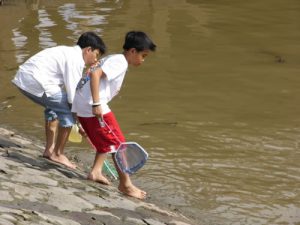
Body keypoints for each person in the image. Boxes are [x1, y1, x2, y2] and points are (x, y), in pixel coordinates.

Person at [72, 31, 156, 199]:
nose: (143, 60)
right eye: (143, 55)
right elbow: (95, 74)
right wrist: (96, 104)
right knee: (119, 144)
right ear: (132, 51)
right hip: (93, 105)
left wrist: (77, 113)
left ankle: (95, 171)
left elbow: (89, 74)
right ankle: (126, 185)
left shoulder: (111, 58)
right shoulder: (120, 62)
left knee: (106, 140)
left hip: (81, 105)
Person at [12, 31, 106, 169]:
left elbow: (66, 91)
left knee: (54, 107)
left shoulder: (66, 52)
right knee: (68, 112)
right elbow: (73, 96)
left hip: (25, 79)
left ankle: (49, 150)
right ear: (88, 50)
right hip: (35, 82)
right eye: (96, 55)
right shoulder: (76, 59)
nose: (95, 61)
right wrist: (80, 122)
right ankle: (58, 153)